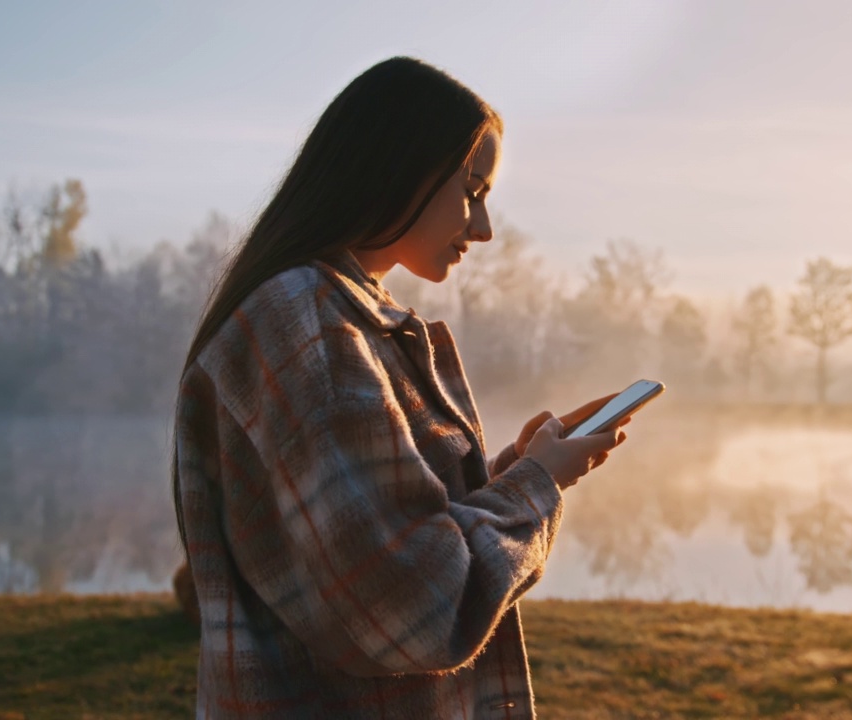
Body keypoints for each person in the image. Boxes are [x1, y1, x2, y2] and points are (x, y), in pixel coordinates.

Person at [173, 56, 629, 719]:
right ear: (397, 166)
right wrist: (535, 486)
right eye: (472, 190)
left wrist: (513, 473)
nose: (483, 227)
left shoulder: (333, 317)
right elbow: (416, 605)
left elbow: (381, 540)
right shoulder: (310, 329)